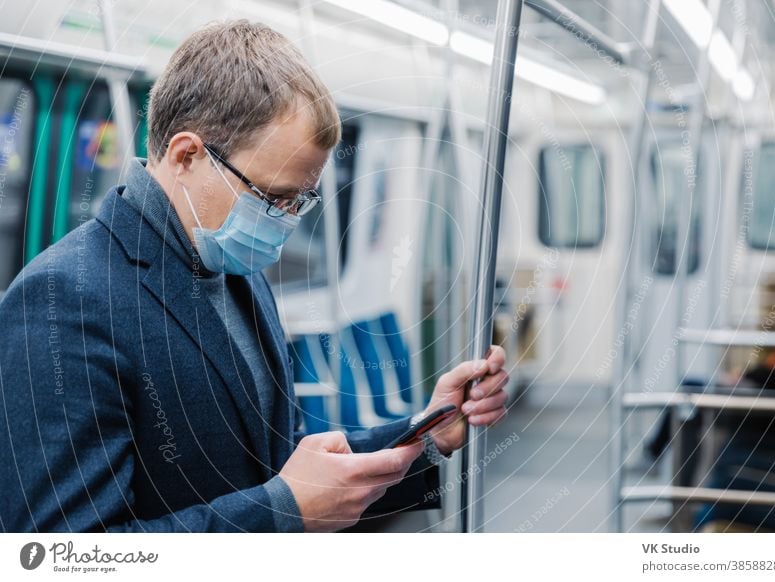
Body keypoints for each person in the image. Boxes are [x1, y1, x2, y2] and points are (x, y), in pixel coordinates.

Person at [0, 20, 509, 533]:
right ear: (186, 156)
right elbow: (58, 555)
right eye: (270, 197)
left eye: (297, 202)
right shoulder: (63, 300)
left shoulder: (233, 268)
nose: (283, 221)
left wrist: (426, 434)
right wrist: (285, 513)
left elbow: (275, 463)